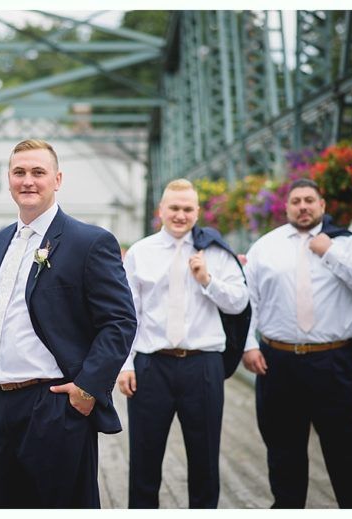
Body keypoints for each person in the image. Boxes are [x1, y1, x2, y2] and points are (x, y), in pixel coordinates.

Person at [0, 139, 137, 508]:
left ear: (57, 179)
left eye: (38, 172)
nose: (27, 180)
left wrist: (87, 388)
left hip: (54, 406)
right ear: (9, 179)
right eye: (19, 172)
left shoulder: (89, 241)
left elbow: (120, 321)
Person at [242, 178, 352, 508]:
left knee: (344, 446)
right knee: (283, 449)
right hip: (278, 362)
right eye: (296, 201)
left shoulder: (347, 244)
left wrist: (330, 252)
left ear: (322, 206)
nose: (303, 206)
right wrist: (249, 345)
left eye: (309, 200)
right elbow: (250, 301)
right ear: (287, 207)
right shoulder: (265, 246)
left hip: (332, 363)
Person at [116, 179, 249, 508]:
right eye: (173, 208)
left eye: (187, 209)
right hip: (151, 366)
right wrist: (126, 364)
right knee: (145, 461)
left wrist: (208, 280)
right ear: (160, 210)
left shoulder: (215, 252)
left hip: (202, 365)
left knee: (204, 460)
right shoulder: (140, 253)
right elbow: (128, 313)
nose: (180, 215)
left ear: (197, 212)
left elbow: (239, 302)